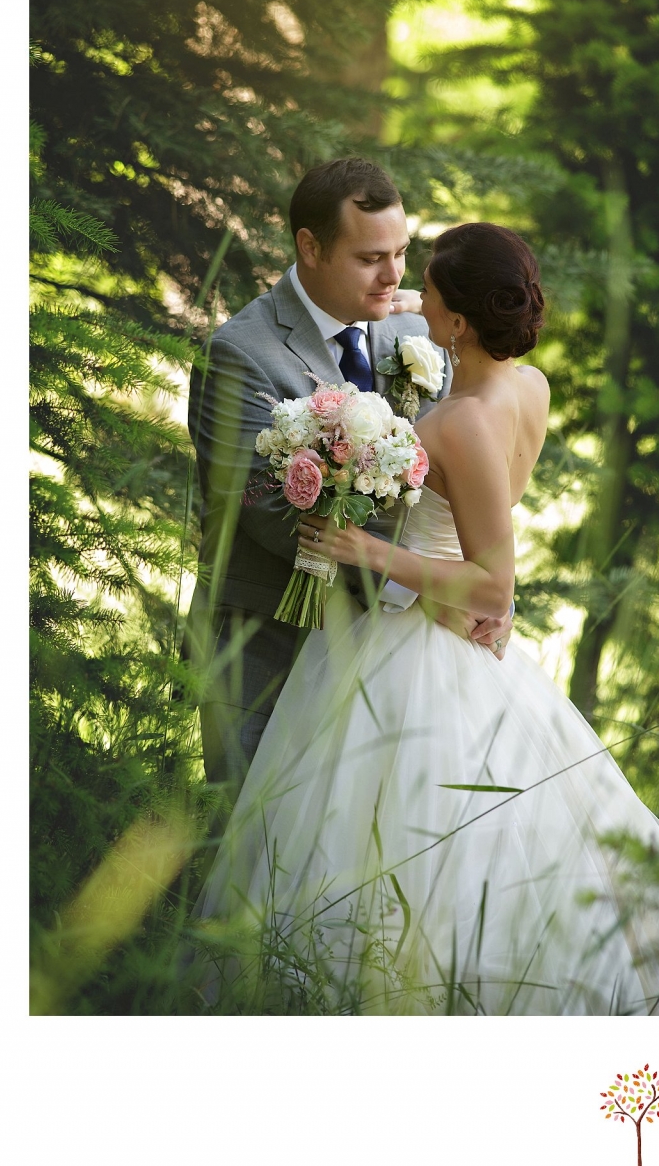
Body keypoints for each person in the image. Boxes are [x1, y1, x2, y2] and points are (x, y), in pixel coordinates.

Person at [184, 222, 659, 1016]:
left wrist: (369, 555)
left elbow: (491, 585)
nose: (413, 293)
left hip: (410, 648)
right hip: (456, 644)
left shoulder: (464, 420)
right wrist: (391, 299)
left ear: (461, 321)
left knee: (386, 840)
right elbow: (485, 518)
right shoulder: (526, 387)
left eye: (429, 288)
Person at [185, 158, 512, 806]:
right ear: (310, 247)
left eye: (401, 253)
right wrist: (417, 587)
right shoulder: (242, 353)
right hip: (266, 639)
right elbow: (265, 508)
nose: (394, 276)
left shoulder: (414, 330)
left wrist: (479, 588)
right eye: (370, 258)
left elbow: (460, 475)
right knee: (251, 846)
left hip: (395, 656)